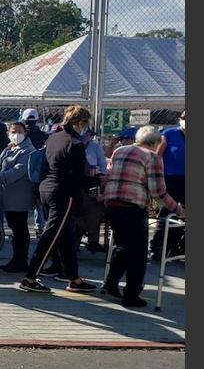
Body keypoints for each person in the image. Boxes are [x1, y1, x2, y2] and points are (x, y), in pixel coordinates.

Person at [103, 125, 184, 308]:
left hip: (113, 203)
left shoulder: (120, 150)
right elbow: (158, 191)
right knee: (138, 254)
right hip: (133, 205)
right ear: (156, 142)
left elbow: (109, 173)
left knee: (122, 246)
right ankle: (131, 295)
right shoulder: (152, 157)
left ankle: (110, 283)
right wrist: (178, 209)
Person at [19, 105, 97, 294]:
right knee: (51, 235)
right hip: (64, 193)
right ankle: (30, 277)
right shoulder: (75, 144)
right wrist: (97, 180)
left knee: (66, 236)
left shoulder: (54, 137)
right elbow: (77, 176)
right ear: (80, 123)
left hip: (47, 187)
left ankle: (73, 278)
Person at [0, 121, 36, 273]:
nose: (16, 135)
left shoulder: (27, 151)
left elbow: (17, 171)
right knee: (15, 229)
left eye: (19, 132)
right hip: (9, 196)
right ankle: (16, 259)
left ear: (26, 133)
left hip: (19, 197)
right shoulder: (10, 147)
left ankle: (21, 261)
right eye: (13, 132)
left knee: (20, 229)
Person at [151, 111, 186, 259]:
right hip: (170, 179)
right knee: (168, 211)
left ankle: (175, 246)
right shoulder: (169, 134)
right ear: (180, 119)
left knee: (184, 215)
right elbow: (157, 156)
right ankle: (157, 248)